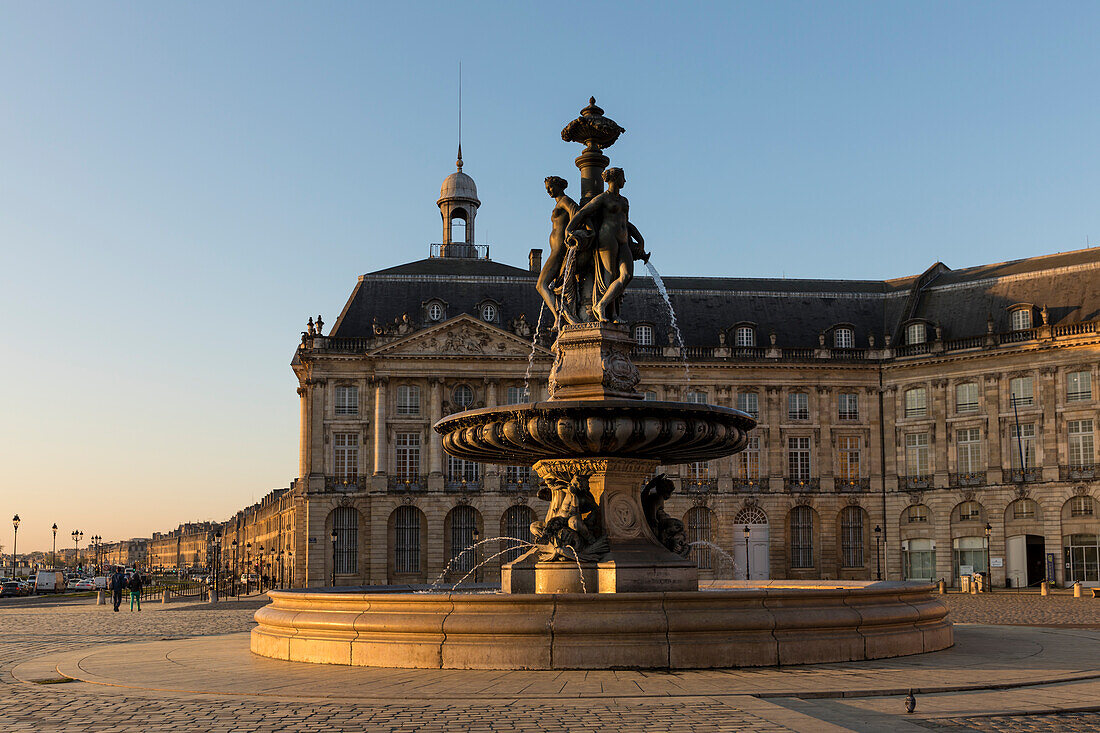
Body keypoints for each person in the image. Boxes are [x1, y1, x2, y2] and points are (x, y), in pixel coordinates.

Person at [564, 167, 648, 323]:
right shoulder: (603, 198)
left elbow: (626, 223)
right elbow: (583, 212)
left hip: (623, 239)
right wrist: (569, 228)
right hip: (607, 237)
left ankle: (601, 304)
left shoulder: (624, 200)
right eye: (623, 177)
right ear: (615, 178)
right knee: (609, 276)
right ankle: (610, 313)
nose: (625, 181)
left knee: (626, 276)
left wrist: (640, 239)